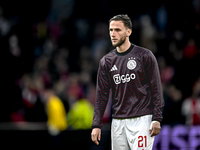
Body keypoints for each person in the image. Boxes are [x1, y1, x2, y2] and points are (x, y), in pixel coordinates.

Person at [91, 14, 164, 150]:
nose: (113, 34)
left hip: (142, 119)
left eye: (117, 30)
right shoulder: (106, 62)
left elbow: (156, 89)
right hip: (118, 122)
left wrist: (156, 118)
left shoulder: (145, 56)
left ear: (128, 32)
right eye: (111, 30)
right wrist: (96, 125)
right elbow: (102, 95)